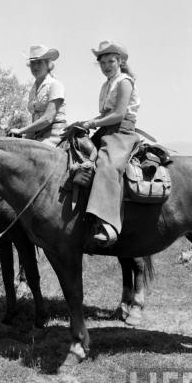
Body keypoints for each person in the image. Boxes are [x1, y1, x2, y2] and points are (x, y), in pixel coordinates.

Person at [80, 40, 141, 246]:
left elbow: (118, 114)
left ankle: (108, 223)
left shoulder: (124, 81)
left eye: (111, 61)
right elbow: (106, 114)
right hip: (106, 131)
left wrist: (93, 122)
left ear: (120, 61)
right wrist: (85, 122)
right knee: (76, 153)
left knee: (107, 166)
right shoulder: (107, 84)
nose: (107, 66)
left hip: (122, 132)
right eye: (103, 62)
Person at [9, 44, 67, 147]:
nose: (35, 66)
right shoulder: (33, 90)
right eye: (32, 63)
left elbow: (48, 118)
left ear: (48, 64)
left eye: (39, 62)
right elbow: (34, 119)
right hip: (37, 136)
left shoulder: (55, 85)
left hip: (55, 135)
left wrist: (21, 131)